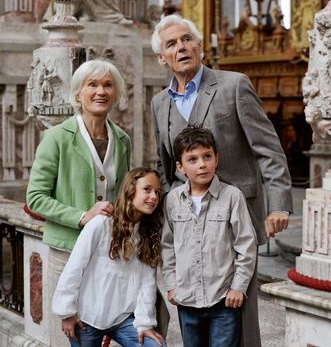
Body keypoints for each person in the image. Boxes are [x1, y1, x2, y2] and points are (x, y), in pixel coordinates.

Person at [150, 15, 293, 347]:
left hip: (236, 214)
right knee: (194, 309)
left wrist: (279, 205)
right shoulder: (159, 103)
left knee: (238, 309)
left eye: (187, 39)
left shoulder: (234, 84)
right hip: (190, 219)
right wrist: (171, 208)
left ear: (199, 46)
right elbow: (166, 163)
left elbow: (268, 149)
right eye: (171, 44)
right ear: (162, 58)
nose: (181, 47)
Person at [26, 59, 131, 346]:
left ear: (115, 93)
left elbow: (122, 196)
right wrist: (82, 216)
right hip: (66, 251)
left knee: (103, 331)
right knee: (71, 335)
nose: (101, 91)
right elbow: (35, 198)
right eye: (92, 85)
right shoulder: (56, 137)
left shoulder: (122, 139)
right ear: (78, 94)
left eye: (108, 85)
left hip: (106, 255)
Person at [162, 126, 257, 346]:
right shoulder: (173, 199)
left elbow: (245, 245)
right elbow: (167, 245)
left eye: (207, 156)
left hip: (223, 300)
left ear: (217, 158)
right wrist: (171, 284)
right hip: (187, 299)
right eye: (192, 159)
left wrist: (238, 286)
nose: (202, 164)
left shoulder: (232, 196)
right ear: (180, 167)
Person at [52, 167, 167, 347]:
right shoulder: (101, 224)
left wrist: (145, 323)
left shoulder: (148, 235)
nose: (154, 197)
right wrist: (66, 313)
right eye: (147, 189)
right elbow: (75, 266)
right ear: (130, 190)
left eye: (157, 192)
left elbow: (147, 282)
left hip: (124, 319)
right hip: (87, 318)